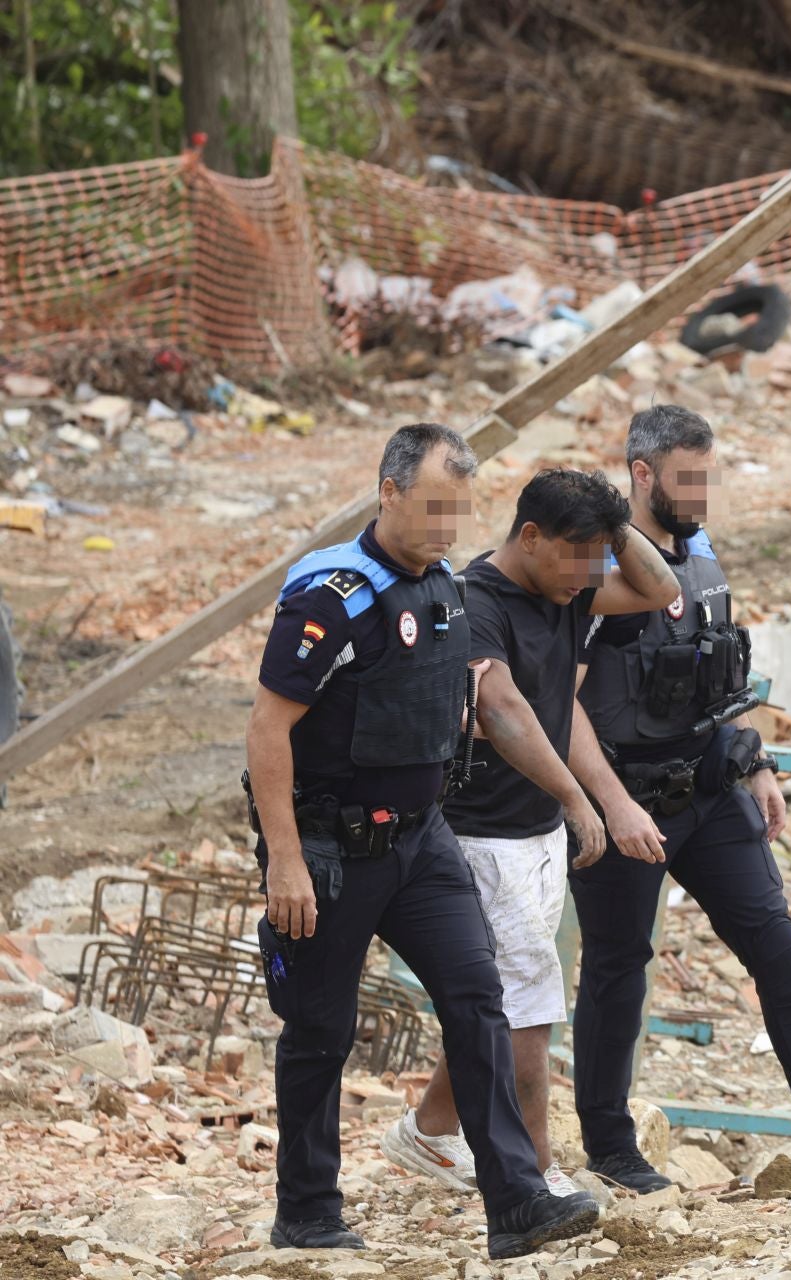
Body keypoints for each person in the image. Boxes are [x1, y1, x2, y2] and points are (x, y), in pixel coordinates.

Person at [245, 424, 601, 1259]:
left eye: (459, 508)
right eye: (433, 505)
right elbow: (268, 729)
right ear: (390, 492)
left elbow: (484, 707)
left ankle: (515, 1202)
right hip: (331, 849)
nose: (446, 524)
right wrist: (286, 859)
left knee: (480, 1001)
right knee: (320, 1031)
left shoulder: (447, 591)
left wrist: (570, 794)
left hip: (422, 844)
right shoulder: (331, 595)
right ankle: (306, 1211)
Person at [565, 404, 791, 1193]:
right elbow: (563, 705)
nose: (702, 491)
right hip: (628, 798)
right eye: (687, 477)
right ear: (643, 475)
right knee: (619, 968)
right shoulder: (597, 568)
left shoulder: (701, 550)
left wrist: (756, 760)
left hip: (710, 785)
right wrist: (609, 805)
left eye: (708, 474)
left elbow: (726, 665)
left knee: (778, 948)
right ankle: (612, 1149)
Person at [383, 467, 682, 1196]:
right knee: (530, 1007)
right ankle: (534, 1174)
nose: (591, 577)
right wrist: (582, 800)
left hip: (535, 833)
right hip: (483, 834)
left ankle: (426, 1134)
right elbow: (503, 709)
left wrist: (613, 530)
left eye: (598, 559)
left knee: (500, 995)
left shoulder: (568, 586)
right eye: (578, 557)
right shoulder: (476, 601)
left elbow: (659, 589)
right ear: (529, 538)